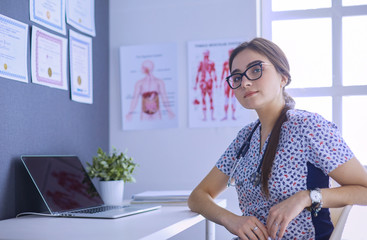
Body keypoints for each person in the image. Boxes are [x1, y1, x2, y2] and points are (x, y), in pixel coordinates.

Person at [188, 37, 367, 240]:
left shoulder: (309, 127)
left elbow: (364, 190)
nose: (245, 82)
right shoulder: (245, 137)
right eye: (237, 77)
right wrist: (231, 220)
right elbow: (197, 197)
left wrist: (307, 197)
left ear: (283, 77)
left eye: (256, 70)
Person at [194, 50, 217, 121]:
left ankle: (208, 117)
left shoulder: (205, 63)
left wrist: (195, 84)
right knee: (208, 99)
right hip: (206, 82)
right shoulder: (205, 63)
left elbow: (214, 73)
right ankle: (208, 117)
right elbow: (214, 74)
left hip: (205, 82)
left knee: (207, 99)